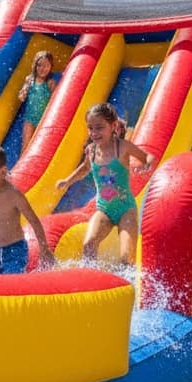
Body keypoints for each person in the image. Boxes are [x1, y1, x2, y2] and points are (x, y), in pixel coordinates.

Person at [55, 103, 155, 265]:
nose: (94, 133)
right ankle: (92, 282)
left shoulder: (122, 147)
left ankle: (129, 286)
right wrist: (68, 180)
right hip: (104, 209)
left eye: (99, 128)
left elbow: (146, 157)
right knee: (89, 245)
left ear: (113, 126)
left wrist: (149, 163)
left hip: (126, 209)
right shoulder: (91, 150)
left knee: (126, 258)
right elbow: (86, 167)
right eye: (90, 128)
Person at [0, 144, 55, 274]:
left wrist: (44, 248)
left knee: (12, 286)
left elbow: (34, 221)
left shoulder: (14, 195)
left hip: (14, 250)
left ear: (2, 172)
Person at [18, 51, 59, 153]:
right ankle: (21, 167)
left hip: (43, 119)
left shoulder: (50, 83)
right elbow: (22, 94)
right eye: (39, 65)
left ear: (51, 67)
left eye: (46, 66)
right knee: (25, 145)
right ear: (35, 66)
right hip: (29, 118)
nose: (42, 68)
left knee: (39, 145)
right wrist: (23, 93)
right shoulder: (30, 79)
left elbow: (55, 102)